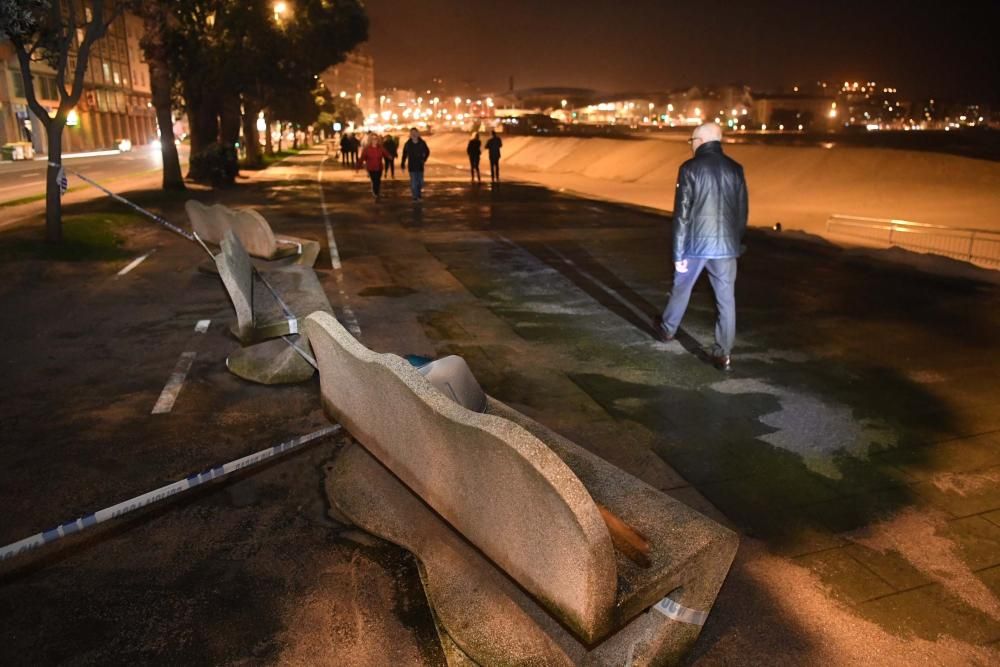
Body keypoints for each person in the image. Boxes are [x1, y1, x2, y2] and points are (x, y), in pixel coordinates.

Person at [654, 122, 748, 372]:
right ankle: (723, 353)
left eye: (691, 140)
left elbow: (682, 215)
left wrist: (677, 253)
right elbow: (741, 213)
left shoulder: (690, 168)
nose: (691, 145)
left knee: (681, 288)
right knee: (726, 301)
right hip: (726, 248)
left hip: (694, 246)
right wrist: (735, 243)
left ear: (700, 141)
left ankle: (668, 330)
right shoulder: (735, 169)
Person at [358, 132, 392, 200]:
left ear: (378, 140)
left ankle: (377, 192)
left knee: (378, 180)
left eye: (376, 139)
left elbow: (386, 153)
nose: (374, 140)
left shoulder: (380, 148)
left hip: (379, 167)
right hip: (371, 168)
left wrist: (389, 156)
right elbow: (362, 158)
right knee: (374, 180)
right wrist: (358, 166)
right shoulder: (367, 149)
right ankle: (375, 193)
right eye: (373, 139)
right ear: (370, 140)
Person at [400, 127, 431, 202]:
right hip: (412, 166)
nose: (413, 134)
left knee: (420, 182)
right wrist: (403, 164)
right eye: (412, 133)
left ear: (418, 134)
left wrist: (424, 159)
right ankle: (415, 197)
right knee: (413, 183)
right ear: (410, 135)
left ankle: (419, 194)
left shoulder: (422, 143)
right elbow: (404, 154)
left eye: (415, 133)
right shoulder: (408, 144)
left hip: (420, 166)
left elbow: (427, 151)